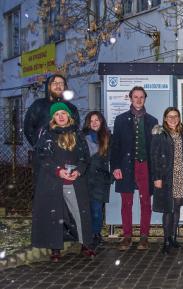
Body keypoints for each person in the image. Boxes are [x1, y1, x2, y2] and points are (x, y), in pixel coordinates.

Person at [31, 102, 94, 262]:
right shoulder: (47, 135)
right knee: (55, 213)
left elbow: (84, 158)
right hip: (54, 180)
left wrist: (78, 170)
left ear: (68, 116)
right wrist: (58, 170)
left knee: (79, 212)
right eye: (57, 114)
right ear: (53, 118)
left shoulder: (78, 135)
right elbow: (43, 157)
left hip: (75, 180)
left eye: (63, 113)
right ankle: (55, 247)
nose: (60, 116)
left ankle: (85, 244)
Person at [110, 86, 158, 251]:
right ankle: (127, 236)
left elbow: (155, 149)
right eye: (135, 97)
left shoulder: (152, 121)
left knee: (145, 202)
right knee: (126, 203)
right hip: (126, 166)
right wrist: (115, 166)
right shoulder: (121, 119)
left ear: (145, 99)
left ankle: (144, 236)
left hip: (145, 166)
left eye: (141, 97)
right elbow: (115, 146)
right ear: (130, 98)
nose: (138, 100)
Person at [150, 107, 183, 255]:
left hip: (181, 176)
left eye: (175, 116)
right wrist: (156, 178)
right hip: (166, 177)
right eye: (170, 117)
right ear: (165, 118)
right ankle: (165, 240)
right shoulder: (160, 134)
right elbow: (154, 157)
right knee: (168, 209)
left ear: (179, 118)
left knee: (176, 207)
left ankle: (173, 238)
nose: (173, 119)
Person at [24, 74, 79, 147]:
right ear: (49, 86)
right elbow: (28, 128)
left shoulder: (71, 108)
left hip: (66, 151)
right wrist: (38, 146)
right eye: (54, 83)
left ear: (64, 87)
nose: (58, 85)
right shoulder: (39, 105)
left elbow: (75, 128)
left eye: (61, 83)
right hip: (44, 153)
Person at [82, 111, 112, 247]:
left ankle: (96, 234)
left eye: (97, 120)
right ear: (88, 122)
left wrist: (110, 175)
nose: (94, 123)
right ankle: (86, 235)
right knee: (85, 209)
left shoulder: (107, 137)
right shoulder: (81, 137)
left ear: (101, 122)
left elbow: (114, 157)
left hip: (100, 179)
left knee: (96, 210)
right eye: (91, 120)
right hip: (85, 178)